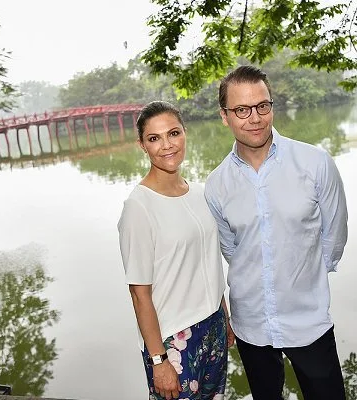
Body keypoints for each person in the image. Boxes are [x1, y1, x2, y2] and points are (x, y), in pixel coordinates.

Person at [204, 65, 349, 400]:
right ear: (225, 116)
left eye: (262, 106)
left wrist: (303, 275)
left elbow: (334, 236)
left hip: (308, 319)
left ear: (272, 105)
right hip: (251, 324)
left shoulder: (315, 163)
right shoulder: (217, 184)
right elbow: (232, 250)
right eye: (241, 110)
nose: (254, 118)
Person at [117, 101, 234, 400]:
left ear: (185, 134)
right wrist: (159, 361)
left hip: (214, 327)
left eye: (173, 133)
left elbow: (206, 263)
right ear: (142, 145)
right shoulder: (139, 207)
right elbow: (139, 292)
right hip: (174, 341)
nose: (166, 145)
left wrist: (225, 317)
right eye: (154, 138)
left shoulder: (199, 193)